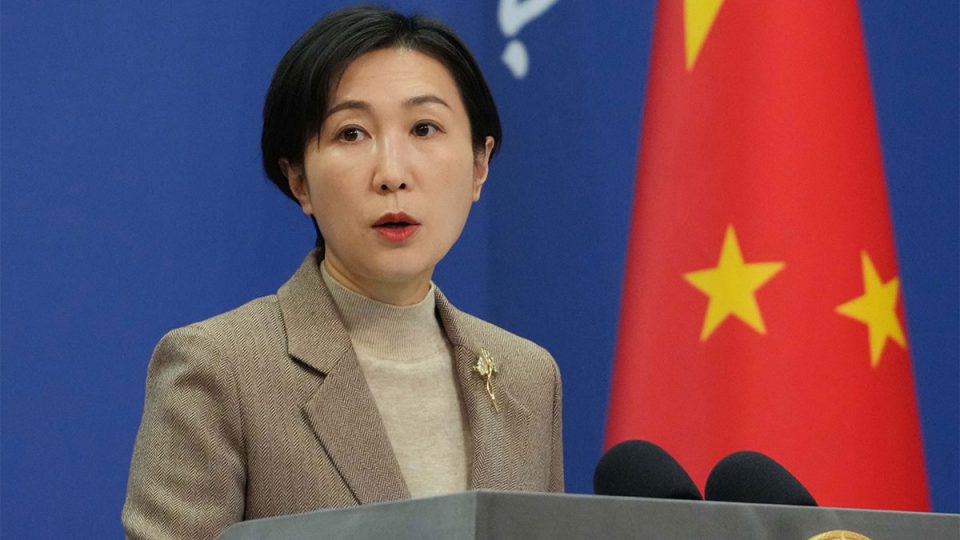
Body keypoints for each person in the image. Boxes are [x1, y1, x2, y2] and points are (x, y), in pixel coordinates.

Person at [122, 6, 563, 539]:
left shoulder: (528, 377)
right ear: (298, 181)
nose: (392, 174)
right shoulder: (221, 369)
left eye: (424, 128)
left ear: (479, 165)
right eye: (351, 134)